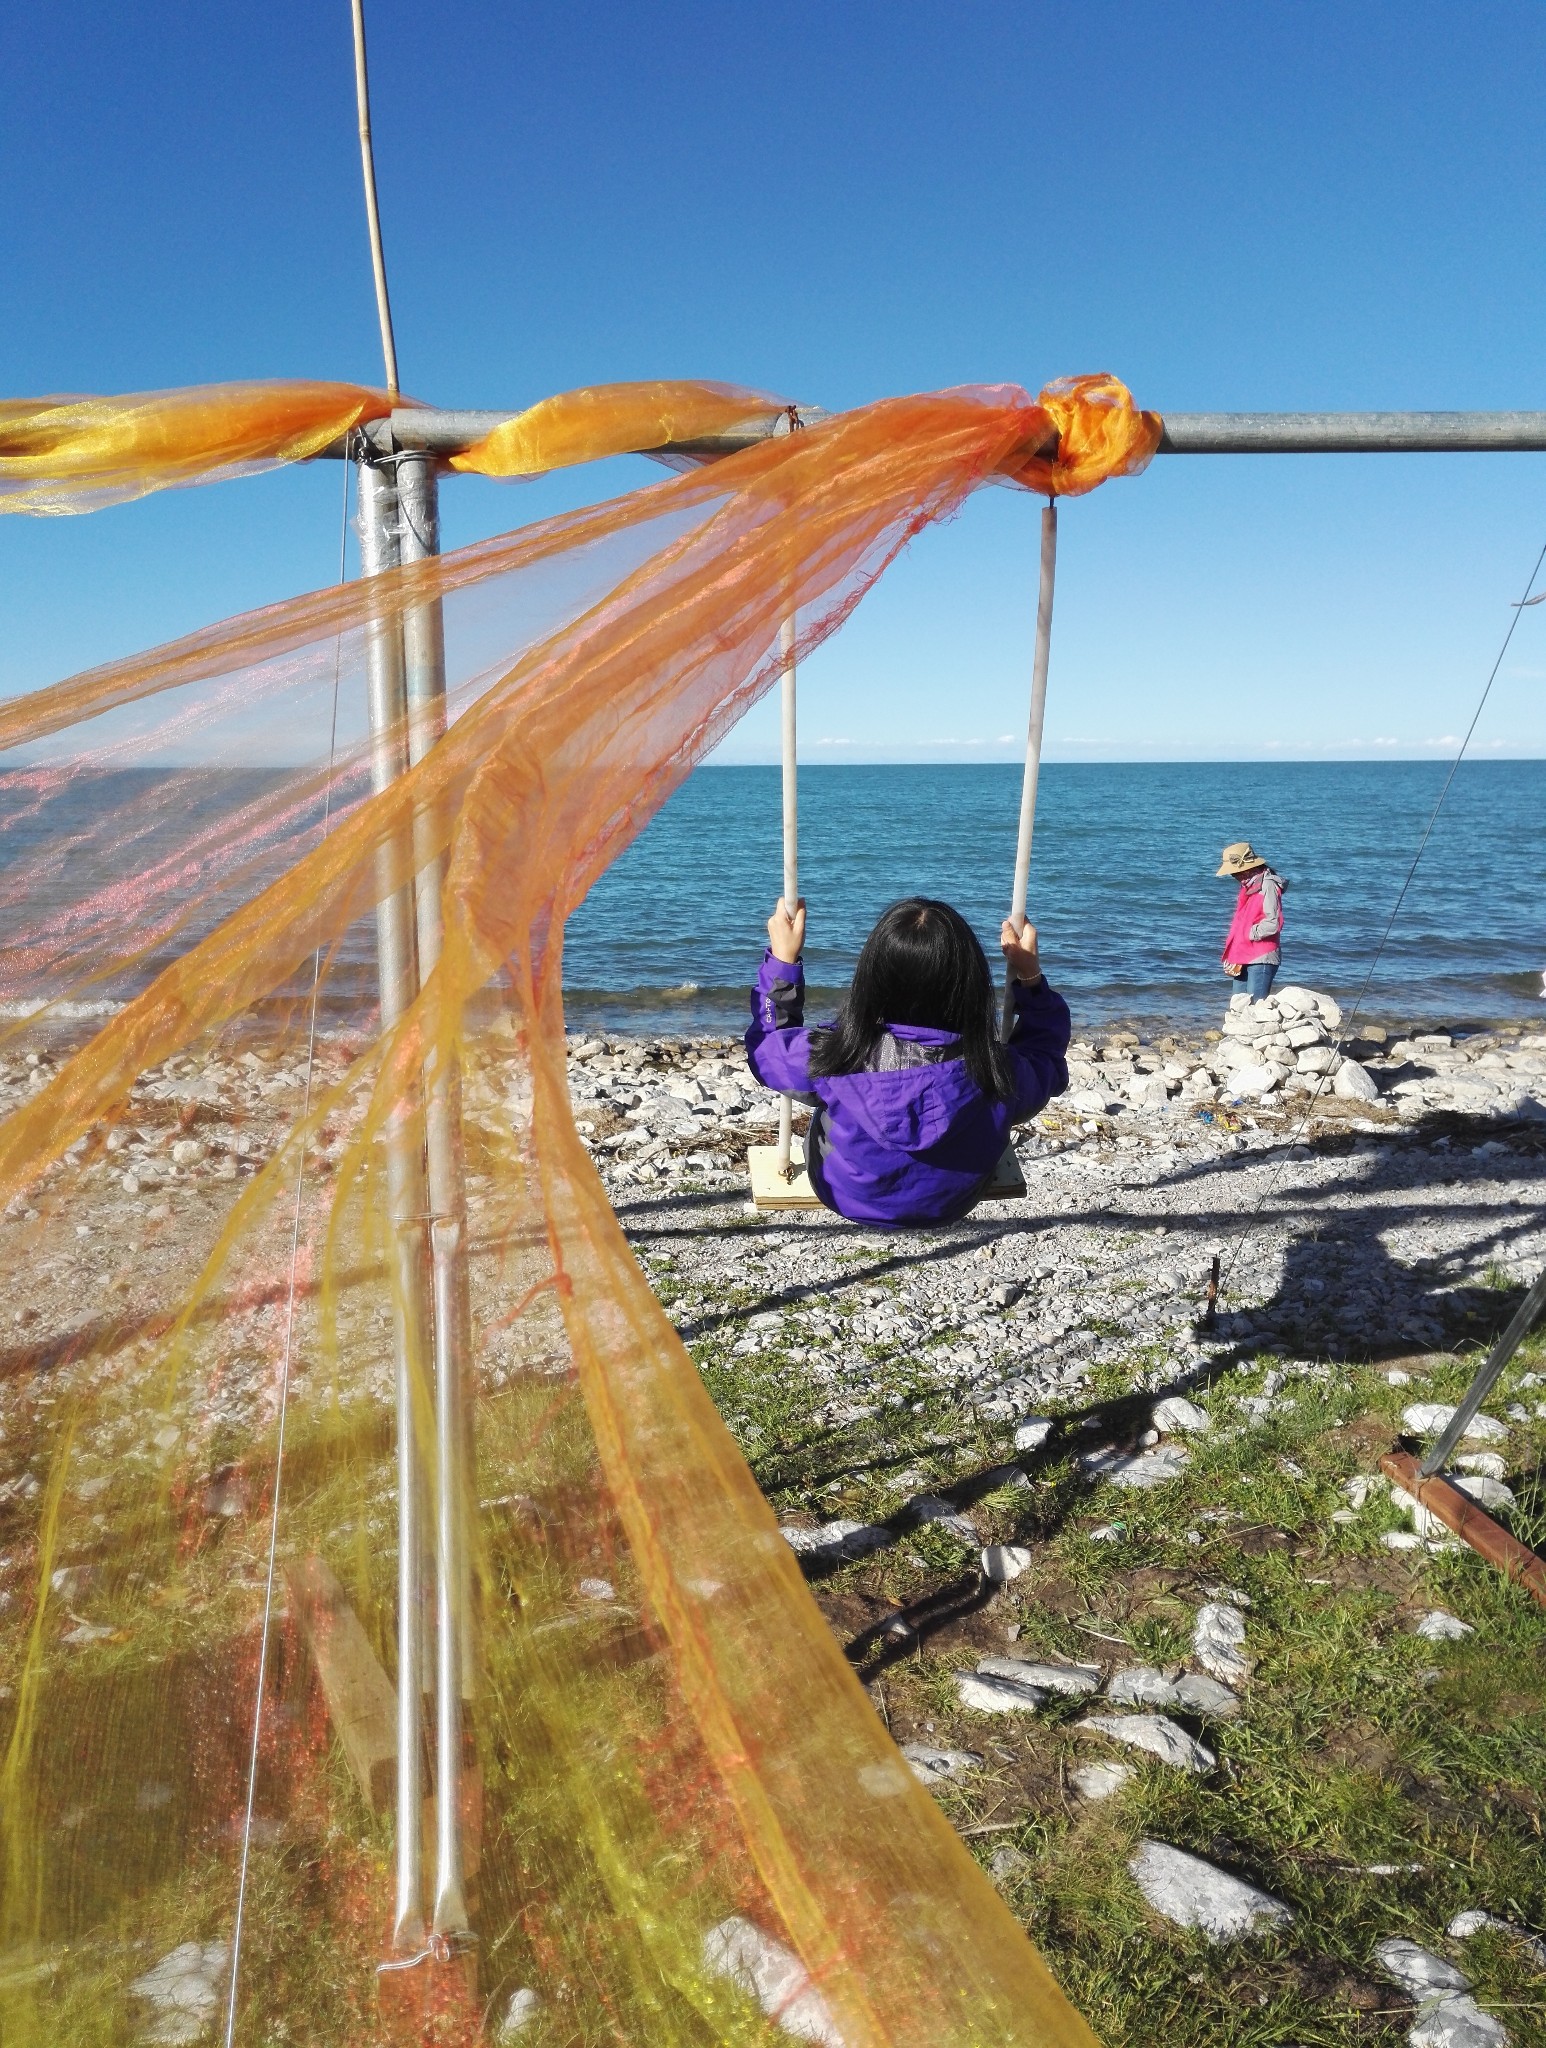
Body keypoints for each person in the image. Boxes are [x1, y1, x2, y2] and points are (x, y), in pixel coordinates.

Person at [746, 895, 1070, 1228]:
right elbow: (1046, 1055)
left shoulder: (836, 1057)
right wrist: (1030, 978)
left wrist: (783, 963)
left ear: (872, 980)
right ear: (969, 984)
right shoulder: (999, 1070)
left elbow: (767, 1048)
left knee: (827, 1100)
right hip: (950, 1201)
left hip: (846, 1194)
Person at [1216, 840, 1287, 1000]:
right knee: (1238, 1008)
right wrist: (1234, 949)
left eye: (1235, 872)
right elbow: (1241, 921)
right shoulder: (1248, 886)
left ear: (1247, 868)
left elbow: (1273, 922)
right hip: (1242, 954)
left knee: (1255, 1009)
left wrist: (1249, 934)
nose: (1233, 876)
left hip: (1261, 956)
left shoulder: (1268, 885)